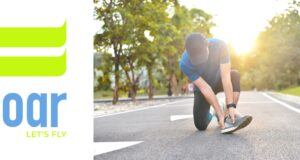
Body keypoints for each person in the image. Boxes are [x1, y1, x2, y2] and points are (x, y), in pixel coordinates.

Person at [179, 32, 252, 133]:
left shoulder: (220, 46)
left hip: (219, 80)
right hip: (203, 88)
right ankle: (217, 110)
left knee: (234, 75)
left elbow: (226, 77)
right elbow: (205, 88)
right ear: (187, 51)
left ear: (207, 44)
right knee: (200, 125)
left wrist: (231, 105)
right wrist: (219, 112)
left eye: (202, 55)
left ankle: (231, 115)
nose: (201, 61)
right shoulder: (184, 63)